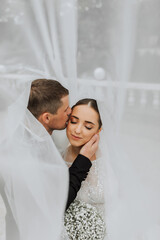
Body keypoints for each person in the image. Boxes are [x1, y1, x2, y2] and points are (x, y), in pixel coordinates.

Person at [27, 79, 99, 209]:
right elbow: (58, 201)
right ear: (47, 118)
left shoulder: (44, 140)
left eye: (88, 126)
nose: (70, 111)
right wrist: (83, 159)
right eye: (66, 109)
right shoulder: (32, 152)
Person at [63, 98, 106, 239]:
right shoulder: (56, 160)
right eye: (73, 121)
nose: (77, 130)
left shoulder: (108, 164)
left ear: (98, 130)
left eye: (88, 127)